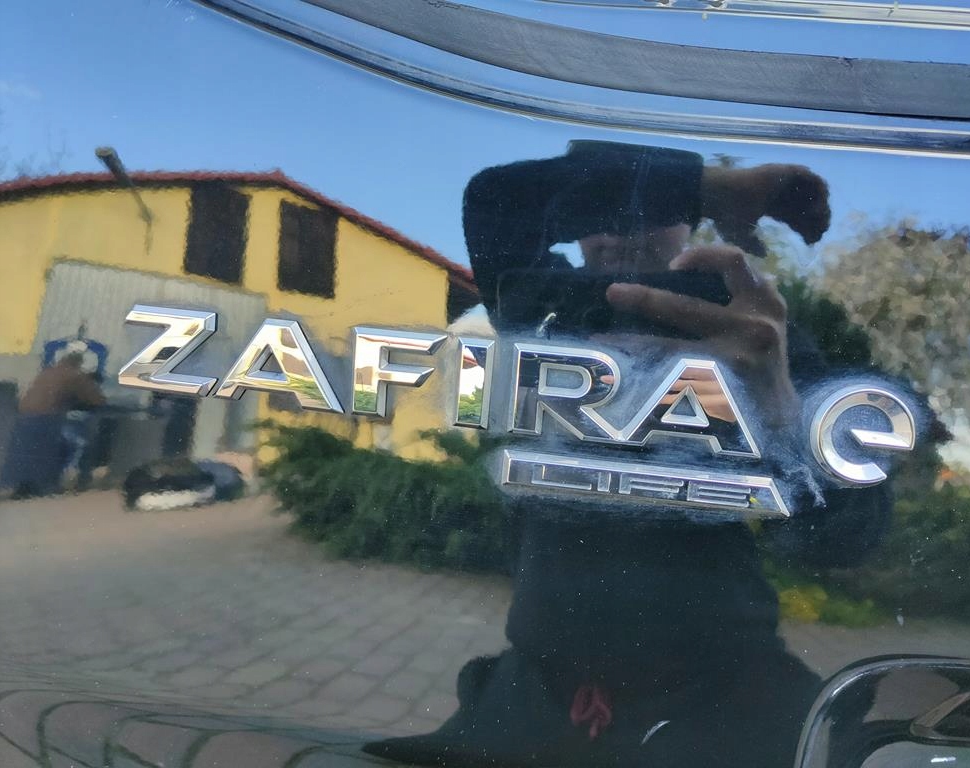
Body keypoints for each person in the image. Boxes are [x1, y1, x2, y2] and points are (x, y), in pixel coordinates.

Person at [365, 142, 894, 767]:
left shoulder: (753, 334)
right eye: (600, 208)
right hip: (532, 688)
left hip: (731, 695)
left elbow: (850, 539)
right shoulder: (542, 304)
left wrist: (778, 412)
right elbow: (498, 199)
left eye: (652, 211)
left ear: (688, 226)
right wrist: (711, 186)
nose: (620, 231)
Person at [1, 350, 105, 498]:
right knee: (69, 446)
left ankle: (23, 486)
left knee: (30, 453)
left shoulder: (46, 373)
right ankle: (53, 484)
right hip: (46, 419)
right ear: (79, 363)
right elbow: (97, 400)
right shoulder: (74, 375)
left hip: (23, 418)